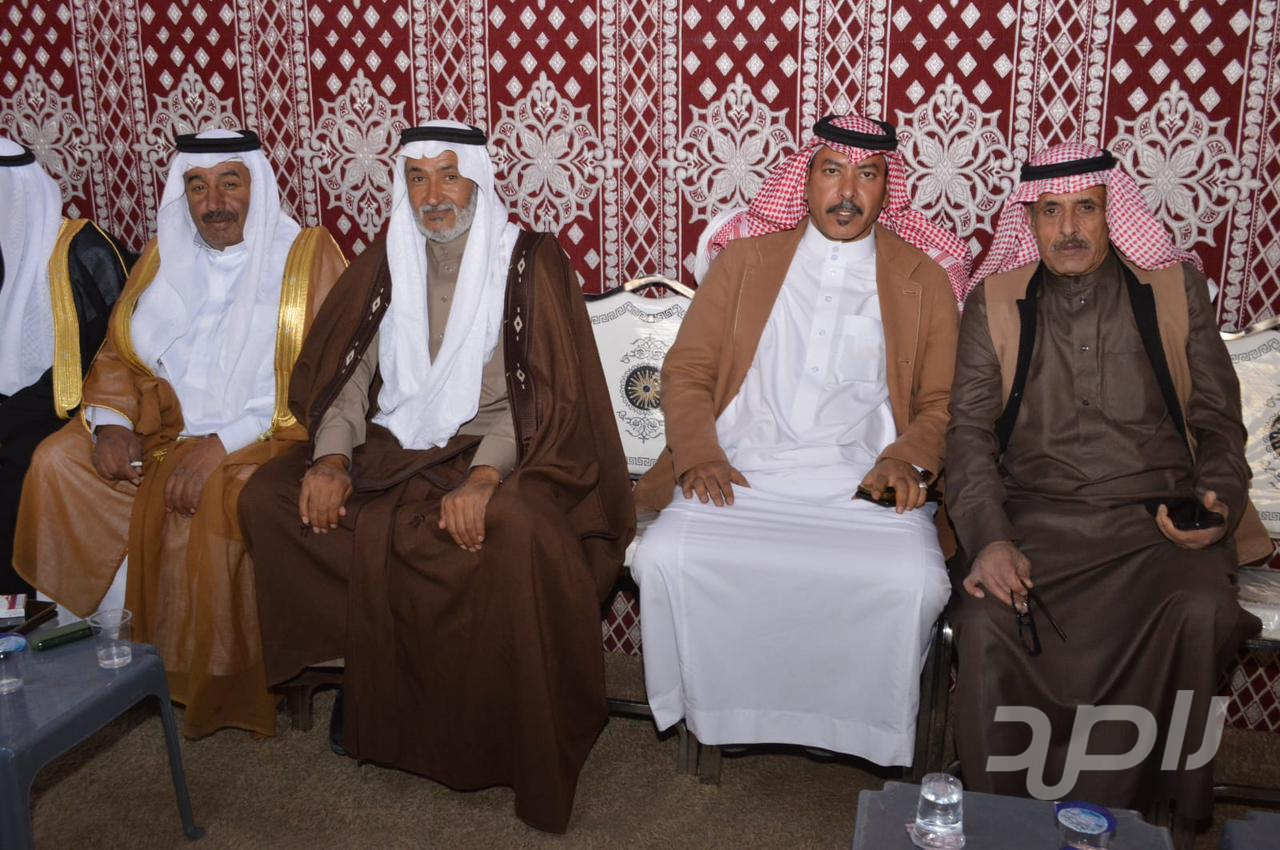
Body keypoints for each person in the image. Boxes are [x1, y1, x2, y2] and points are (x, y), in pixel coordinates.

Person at [238, 121, 633, 833]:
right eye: (417, 178)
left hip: (506, 449)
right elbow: (347, 375)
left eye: (449, 176)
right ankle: (364, 674)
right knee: (269, 496)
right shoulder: (387, 257)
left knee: (508, 527)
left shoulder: (529, 262)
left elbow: (546, 399)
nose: (433, 196)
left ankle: (491, 714)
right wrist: (331, 457)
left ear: (477, 180)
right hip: (396, 443)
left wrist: (483, 479)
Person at [629, 114, 972, 766]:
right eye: (832, 171)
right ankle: (720, 713)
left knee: (913, 579)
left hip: (861, 486)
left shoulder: (923, 279)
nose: (848, 191)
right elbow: (688, 372)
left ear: (886, 188)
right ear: (806, 181)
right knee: (666, 555)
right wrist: (699, 454)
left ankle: (860, 730)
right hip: (743, 473)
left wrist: (907, 459)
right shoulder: (744, 262)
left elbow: (941, 402)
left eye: (867, 175)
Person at [948, 142, 1270, 820]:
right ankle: (1003, 820)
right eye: (1050, 211)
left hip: (1156, 527)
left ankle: (1141, 813)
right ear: (1028, 221)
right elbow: (969, 437)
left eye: (1085, 209)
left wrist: (1216, 506)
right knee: (985, 618)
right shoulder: (995, 302)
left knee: (1200, 608)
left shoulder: (1173, 291)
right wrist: (990, 541)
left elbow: (1219, 422)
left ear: (1111, 213)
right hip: (1035, 523)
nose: (1068, 228)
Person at [14, 129, 346, 737]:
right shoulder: (164, 255)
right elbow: (119, 352)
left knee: (212, 496)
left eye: (229, 184)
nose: (214, 203)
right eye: (197, 187)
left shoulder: (305, 257)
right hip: (161, 427)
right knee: (59, 461)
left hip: (266, 435)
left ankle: (201, 677)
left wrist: (219, 445)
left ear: (256, 187)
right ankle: (91, 653)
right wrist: (112, 425)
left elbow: (318, 380)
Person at [0, 137, 131, 595]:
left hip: (60, 408)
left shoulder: (81, 251)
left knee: (21, 459)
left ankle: (19, 607)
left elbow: (99, 355)